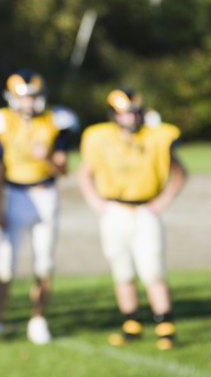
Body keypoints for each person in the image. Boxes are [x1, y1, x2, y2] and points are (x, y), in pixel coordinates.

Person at [0, 69, 78, 345]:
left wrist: (50, 159)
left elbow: (64, 169)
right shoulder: (1, 122)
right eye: (23, 97)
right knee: (5, 264)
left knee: (44, 262)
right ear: (12, 98)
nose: (28, 103)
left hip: (45, 195)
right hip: (14, 195)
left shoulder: (55, 120)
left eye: (32, 97)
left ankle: (39, 320)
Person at [77, 88, 187, 350]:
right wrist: (96, 202)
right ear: (114, 115)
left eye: (134, 113)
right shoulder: (99, 137)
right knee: (122, 270)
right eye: (125, 114)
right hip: (115, 209)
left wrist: (162, 201)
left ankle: (165, 325)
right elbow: (85, 173)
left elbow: (180, 172)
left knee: (153, 270)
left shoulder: (157, 136)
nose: (130, 118)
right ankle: (132, 323)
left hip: (145, 210)